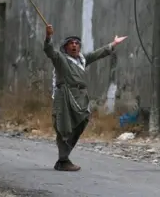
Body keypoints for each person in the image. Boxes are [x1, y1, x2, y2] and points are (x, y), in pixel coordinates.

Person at [44, 24, 127, 171]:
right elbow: (49, 51)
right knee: (64, 126)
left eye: (76, 43)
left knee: (81, 122)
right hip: (65, 97)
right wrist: (49, 36)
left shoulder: (82, 60)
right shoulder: (61, 59)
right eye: (71, 43)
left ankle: (63, 158)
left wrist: (113, 44)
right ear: (66, 47)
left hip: (79, 99)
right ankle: (63, 161)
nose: (74, 46)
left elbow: (98, 53)